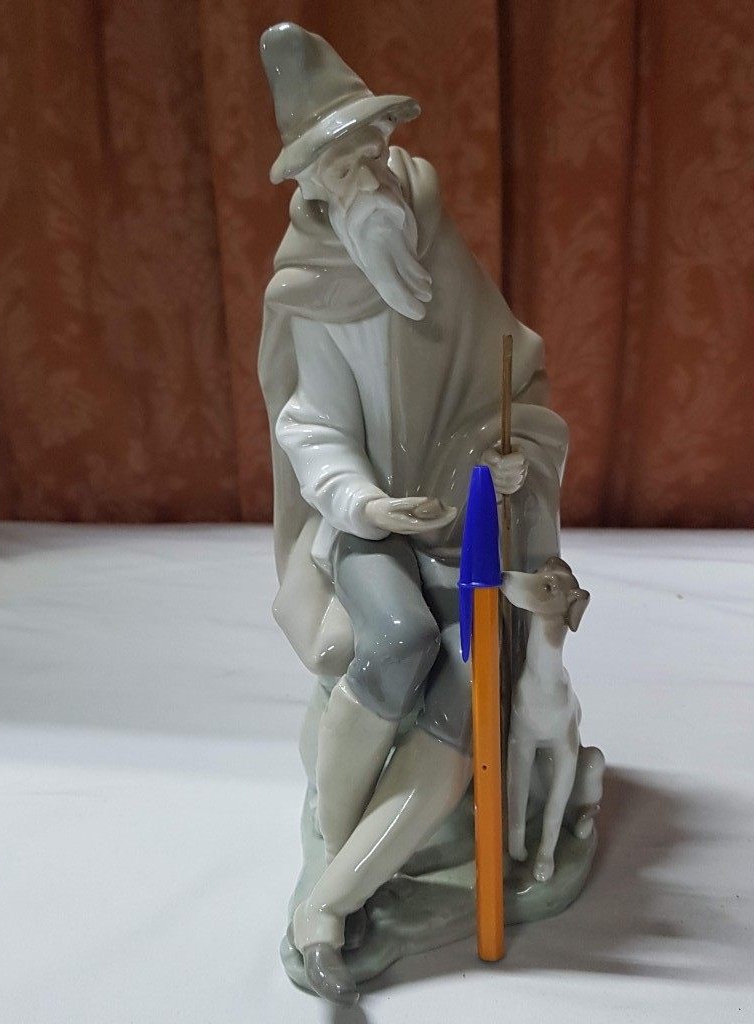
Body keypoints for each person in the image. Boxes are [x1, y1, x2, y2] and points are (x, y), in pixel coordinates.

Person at [259, 23, 568, 1005]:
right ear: (316, 187)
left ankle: (332, 898)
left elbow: (510, 377)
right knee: (395, 637)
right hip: (368, 520)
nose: (370, 180)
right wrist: (363, 500)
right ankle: (339, 838)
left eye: (370, 152)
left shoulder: (430, 231)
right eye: (342, 167)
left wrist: (504, 459)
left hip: (463, 516)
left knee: (471, 683)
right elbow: (311, 424)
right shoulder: (309, 290)